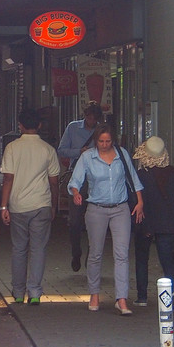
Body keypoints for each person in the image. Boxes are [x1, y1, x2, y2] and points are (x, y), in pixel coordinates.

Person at [69, 123, 145, 315]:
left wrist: (140, 202)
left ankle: (121, 298)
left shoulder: (122, 154)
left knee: (122, 254)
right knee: (95, 253)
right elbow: (74, 181)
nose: (104, 144)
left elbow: (133, 179)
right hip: (96, 208)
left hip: (120, 208)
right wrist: (76, 193)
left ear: (113, 141)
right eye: (101, 141)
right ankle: (94, 293)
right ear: (96, 141)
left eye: (108, 141)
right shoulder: (87, 157)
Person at [0, 109, 60, 305]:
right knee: (38, 249)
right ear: (39, 126)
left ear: (20, 126)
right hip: (41, 204)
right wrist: (54, 206)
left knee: (19, 249)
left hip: (18, 205)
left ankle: (17, 292)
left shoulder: (12, 148)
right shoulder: (48, 149)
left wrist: (3, 207)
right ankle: (34, 292)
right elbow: (54, 182)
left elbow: (8, 178)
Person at [132, 136, 174, 306]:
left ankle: (142, 296)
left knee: (141, 259)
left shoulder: (140, 175)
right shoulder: (172, 173)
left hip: (145, 222)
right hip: (168, 222)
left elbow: (135, 200)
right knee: (167, 259)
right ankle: (172, 290)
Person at [57, 102, 103, 272]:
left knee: (95, 221)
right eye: (89, 117)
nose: (91, 121)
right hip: (78, 178)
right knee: (75, 221)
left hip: (97, 179)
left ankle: (91, 257)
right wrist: (79, 152)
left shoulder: (101, 131)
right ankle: (76, 252)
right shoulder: (73, 128)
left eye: (94, 118)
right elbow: (61, 150)